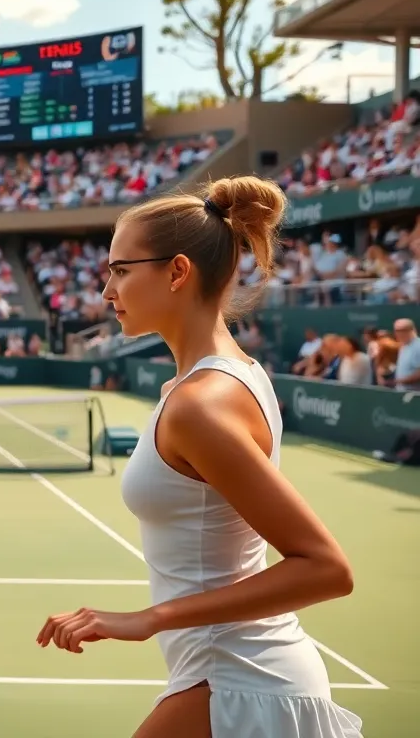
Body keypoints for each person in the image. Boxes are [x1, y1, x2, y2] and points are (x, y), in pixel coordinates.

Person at [36, 176, 362, 737]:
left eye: (120, 270)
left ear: (177, 272)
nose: (106, 293)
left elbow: (326, 568)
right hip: (225, 673)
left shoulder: (199, 404)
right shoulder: (223, 380)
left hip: (239, 680)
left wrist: (149, 618)